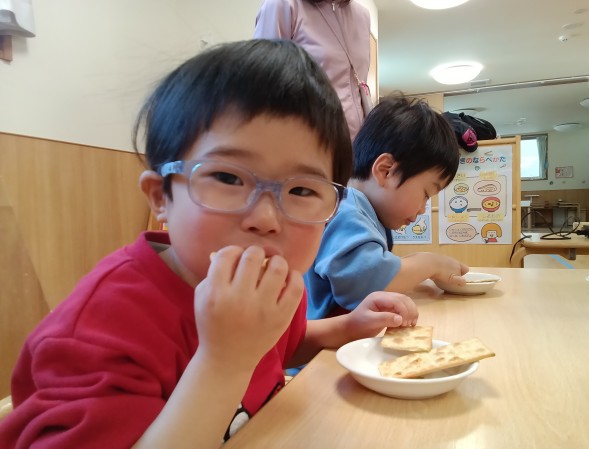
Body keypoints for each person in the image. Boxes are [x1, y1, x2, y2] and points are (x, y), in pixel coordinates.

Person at [0, 40, 418, 449]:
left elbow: (282, 344)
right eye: (228, 178)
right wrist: (224, 361)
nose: (265, 219)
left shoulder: (265, 287)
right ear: (161, 197)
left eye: (303, 190)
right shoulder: (95, 334)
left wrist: (345, 327)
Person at [305, 93, 470, 321]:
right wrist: (430, 264)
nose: (423, 209)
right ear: (386, 170)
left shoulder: (360, 210)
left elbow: (374, 270)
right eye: (425, 194)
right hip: (320, 342)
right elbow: (363, 285)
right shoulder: (347, 211)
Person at [254, 0, 371, 140]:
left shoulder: (362, 16)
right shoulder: (283, 5)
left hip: (359, 145)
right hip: (307, 141)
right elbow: (263, 89)